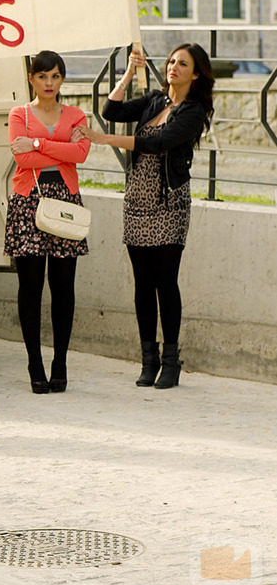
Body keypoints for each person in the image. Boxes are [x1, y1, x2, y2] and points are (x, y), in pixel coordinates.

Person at [75, 43, 214, 389]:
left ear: (195, 74)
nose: (173, 68)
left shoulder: (194, 112)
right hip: (136, 202)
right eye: (171, 62)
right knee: (142, 284)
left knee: (165, 282)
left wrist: (102, 139)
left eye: (182, 64)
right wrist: (126, 73)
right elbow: (111, 108)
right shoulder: (154, 101)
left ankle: (170, 359)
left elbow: (158, 143)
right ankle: (147, 359)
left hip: (168, 204)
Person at [6, 50, 91, 394]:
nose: (49, 83)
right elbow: (20, 156)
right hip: (29, 200)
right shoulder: (19, 113)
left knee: (63, 286)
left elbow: (81, 154)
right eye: (42, 76)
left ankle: (60, 362)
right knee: (30, 287)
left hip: (65, 198)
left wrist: (40, 142)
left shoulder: (76, 114)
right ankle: (34, 362)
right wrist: (60, 146)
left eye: (55, 76)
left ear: (62, 79)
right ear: (31, 78)